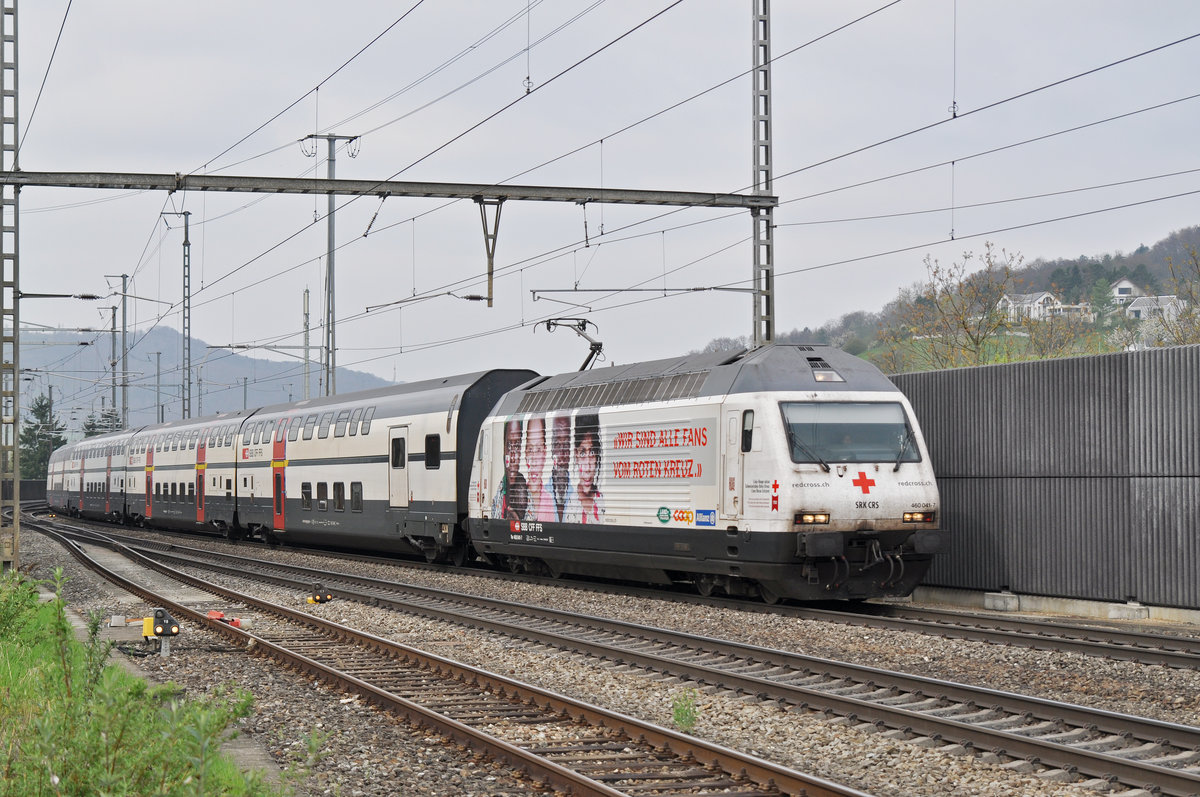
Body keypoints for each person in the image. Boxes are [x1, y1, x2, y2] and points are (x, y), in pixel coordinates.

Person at [563, 412, 604, 524]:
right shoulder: (567, 503)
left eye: (592, 452)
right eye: (582, 453)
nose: (587, 467)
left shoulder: (603, 502)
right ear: (576, 455)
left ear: (597, 456)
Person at [491, 418, 528, 520]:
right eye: (509, 446)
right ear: (504, 450)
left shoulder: (529, 499)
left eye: (516, 446)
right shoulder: (498, 493)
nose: (512, 457)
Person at [523, 416, 556, 521]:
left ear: (545, 454)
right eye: (530, 449)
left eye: (538, 450)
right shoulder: (518, 495)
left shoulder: (549, 501)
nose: (533, 460)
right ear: (525, 453)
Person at [548, 414, 572, 521]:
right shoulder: (542, 494)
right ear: (552, 449)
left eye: (566, 445)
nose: (562, 455)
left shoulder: (577, 496)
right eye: (557, 445)